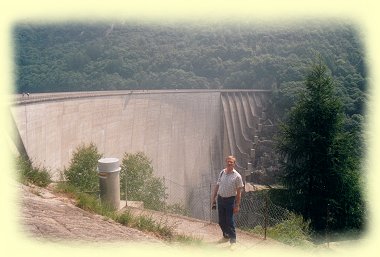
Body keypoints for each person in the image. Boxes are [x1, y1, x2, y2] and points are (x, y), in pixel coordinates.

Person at [211, 155, 244, 247]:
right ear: (226, 162)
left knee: (229, 221)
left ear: (234, 164)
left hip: (230, 201)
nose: (229, 163)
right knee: (221, 221)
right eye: (228, 161)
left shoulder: (237, 176)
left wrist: (237, 205)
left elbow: (239, 192)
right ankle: (226, 236)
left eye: (231, 162)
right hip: (220, 199)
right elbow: (217, 186)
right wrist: (213, 198)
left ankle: (233, 241)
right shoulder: (222, 172)